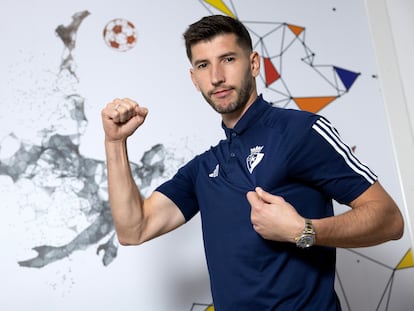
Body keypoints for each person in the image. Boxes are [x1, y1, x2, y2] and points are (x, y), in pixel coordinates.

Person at [101, 15, 404, 311]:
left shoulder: (299, 131)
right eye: (203, 65)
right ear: (194, 79)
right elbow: (133, 228)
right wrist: (115, 143)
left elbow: (389, 219)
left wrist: (303, 231)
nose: (216, 76)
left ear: (254, 63)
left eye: (228, 59)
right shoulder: (205, 168)